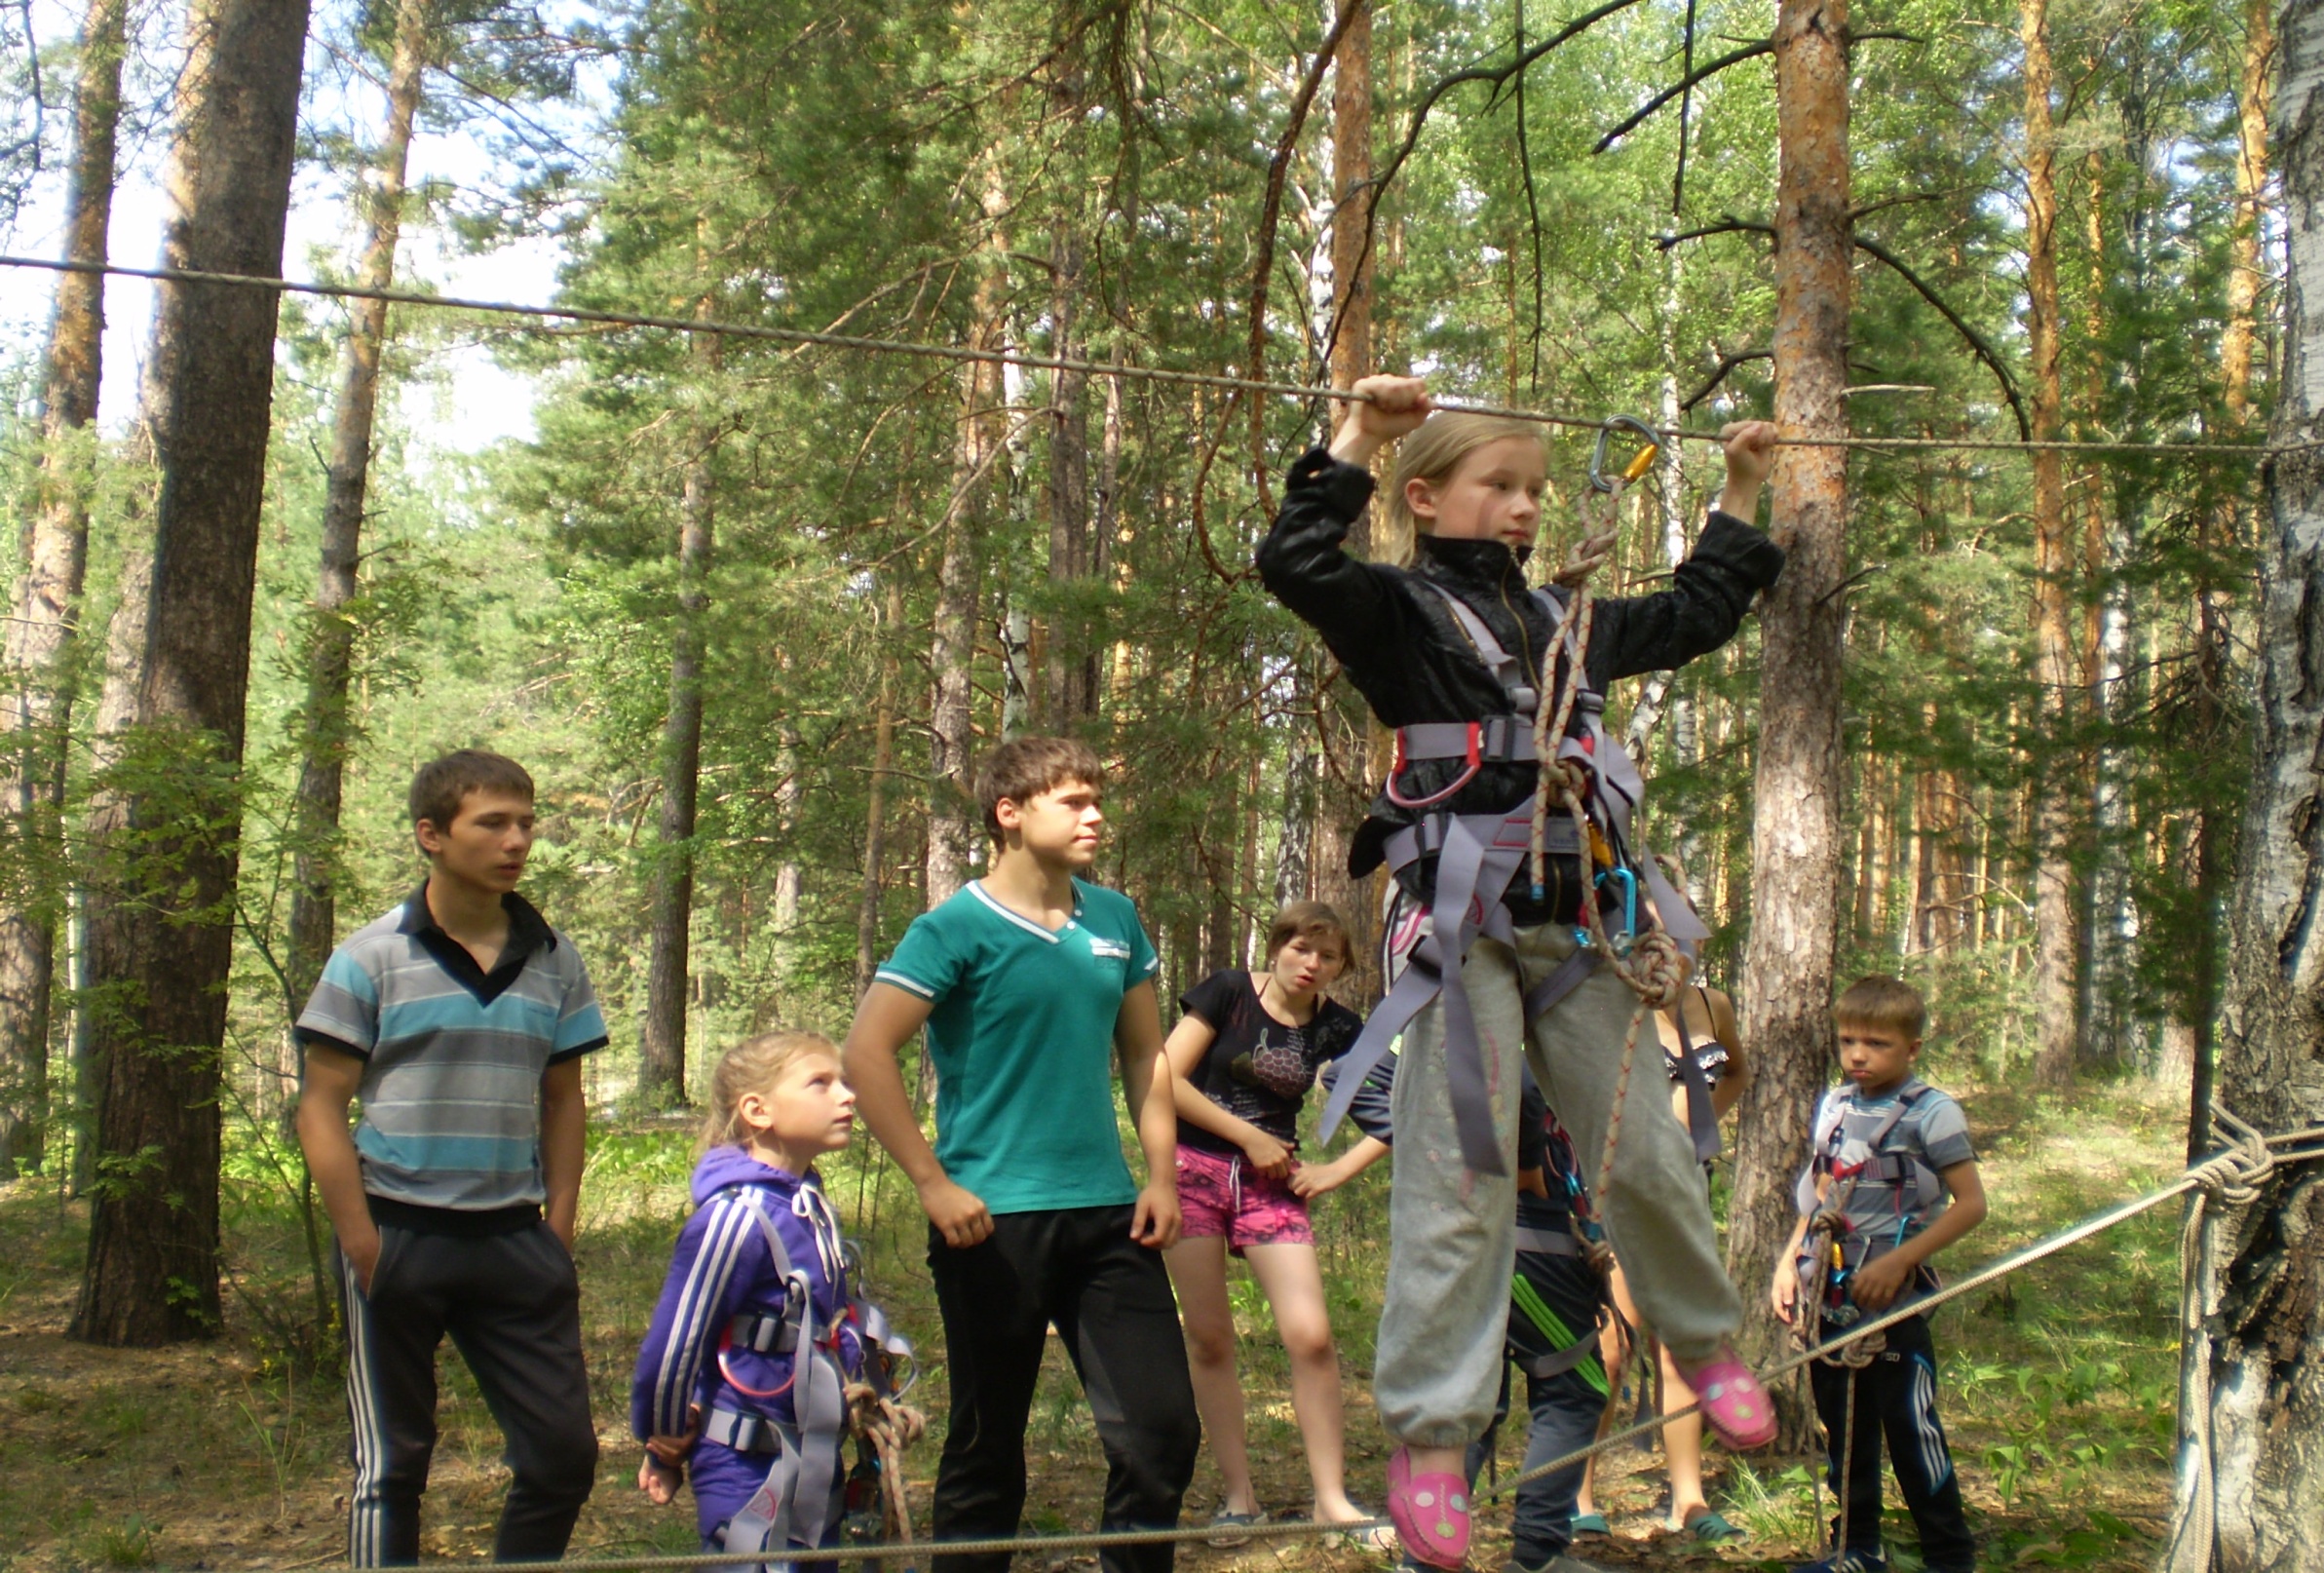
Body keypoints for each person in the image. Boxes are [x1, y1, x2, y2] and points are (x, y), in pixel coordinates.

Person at [1254, 373, 1787, 1567]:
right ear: (1430, 495)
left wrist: (1740, 486)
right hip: (1465, 932)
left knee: (1648, 1151)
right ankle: (1435, 1447)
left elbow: (1698, 612)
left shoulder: (1571, 620)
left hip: (1581, 925)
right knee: (1461, 1178)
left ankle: (1703, 1346)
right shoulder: (1396, 612)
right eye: (1497, 485)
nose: (1523, 506)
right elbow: (1295, 563)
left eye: (1535, 489)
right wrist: (1356, 442)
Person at [842, 736, 1200, 1573]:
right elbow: (866, 1053)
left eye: (1097, 799)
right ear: (1010, 813)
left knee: (1161, 1434)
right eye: (1073, 801)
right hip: (990, 1223)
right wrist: (932, 1183)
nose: (1095, 815)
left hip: (1112, 1217)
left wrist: (1158, 1176)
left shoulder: (1113, 917)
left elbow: (1145, 1058)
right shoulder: (954, 927)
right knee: (985, 1447)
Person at [295, 749, 608, 1567]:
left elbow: (563, 1098)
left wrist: (560, 1228)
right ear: (431, 835)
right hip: (399, 1233)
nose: (516, 842)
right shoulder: (369, 957)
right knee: (392, 1465)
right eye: (493, 824)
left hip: (514, 1241)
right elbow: (321, 1104)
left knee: (562, 1457)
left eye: (526, 824)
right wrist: (362, 1239)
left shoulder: (553, 959)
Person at [631, 1031, 914, 1566]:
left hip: (817, 1461)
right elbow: (674, 1345)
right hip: (745, 1467)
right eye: (821, 1084)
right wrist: (664, 1439)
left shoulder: (808, 1207)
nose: (847, 1096)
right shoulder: (735, 1218)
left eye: (845, 1084)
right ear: (757, 1110)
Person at [1162, 901, 1392, 1547]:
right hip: (1193, 1172)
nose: (1310, 965)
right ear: (1276, 948)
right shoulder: (1227, 991)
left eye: (1327, 957)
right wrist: (1246, 1136)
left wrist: (1334, 1170)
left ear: (1341, 966)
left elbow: (1401, 1105)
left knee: (1311, 1337)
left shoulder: (1339, 1027)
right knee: (1209, 1338)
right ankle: (1239, 1498)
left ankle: (1331, 1501)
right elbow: (1162, 1076)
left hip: (1272, 1187)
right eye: (1300, 950)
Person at [1772, 977, 1986, 1573]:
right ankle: (1857, 1548)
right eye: (1847, 1041)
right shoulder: (1836, 1105)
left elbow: (1971, 1204)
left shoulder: (1933, 1112)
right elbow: (1821, 1191)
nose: (1859, 1055)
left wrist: (1900, 1261)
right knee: (1843, 1422)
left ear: (1912, 1048)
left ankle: (1950, 1555)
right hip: (1829, 1290)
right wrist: (1792, 1261)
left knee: (1910, 1426)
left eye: (1877, 1043)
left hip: (1894, 1298)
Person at [1575, 963, 1753, 1543]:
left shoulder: (1712, 1004)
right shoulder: (1606, 1005)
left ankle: (1689, 1500)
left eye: (1684, 936)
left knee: (1682, 1342)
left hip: (1687, 1187)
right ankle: (1578, 1494)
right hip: (1621, 1191)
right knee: (1612, 1343)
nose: (1670, 951)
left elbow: (1736, 1074)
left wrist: (1695, 1135)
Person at [1462, 1071, 1618, 1573]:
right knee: (1578, 1389)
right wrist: (1529, 1166)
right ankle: (1537, 1553)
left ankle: (1428, 1552)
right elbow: (1525, 1086)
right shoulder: (1520, 1016)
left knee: (1474, 1400)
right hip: (1532, 1242)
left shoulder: (1434, 1022)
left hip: (1466, 1235)